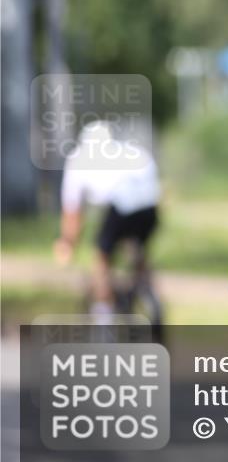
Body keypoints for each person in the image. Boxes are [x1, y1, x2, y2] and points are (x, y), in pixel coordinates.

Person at [54, 120, 161, 320]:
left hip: (120, 204)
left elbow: (72, 211)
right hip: (149, 208)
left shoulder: (78, 160)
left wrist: (68, 242)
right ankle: (149, 295)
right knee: (137, 250)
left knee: (101, 257)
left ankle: (104, 315)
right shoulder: (130, 151)